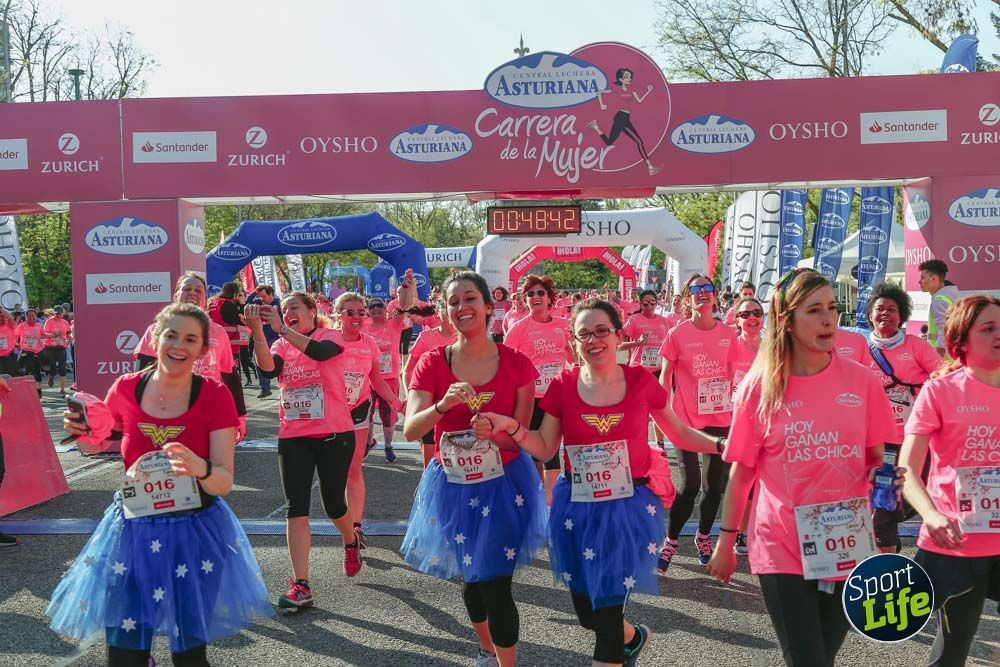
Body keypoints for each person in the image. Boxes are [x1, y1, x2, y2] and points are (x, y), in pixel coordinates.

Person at [474, 298, 722, 666]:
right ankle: (635, 637)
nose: (593, 340)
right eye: (583, 334)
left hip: (628, 508)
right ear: (573, 343)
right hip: (577, 508)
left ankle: (619, 642)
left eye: (602, 331)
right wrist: (511, 428)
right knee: (589, 616)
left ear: (619, 335)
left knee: (606, 618)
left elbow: (679, 433)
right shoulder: (562, 384)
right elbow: (544, 447)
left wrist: (721, 445)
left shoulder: (641, 381)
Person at [49, 302, 273, 666]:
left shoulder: (215, 396)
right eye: (171, 335)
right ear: (155, 338)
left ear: (203, 349)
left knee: (189, 656)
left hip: (196, 531)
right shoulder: (126, 388)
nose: (178, 346)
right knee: (124, 651)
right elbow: (98, 440)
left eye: (190, 339)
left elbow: (223, 482)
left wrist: (198, 466)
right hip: (133, 528)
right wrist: (80, 429)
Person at [707, 268, 900, 667]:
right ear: (787, 321)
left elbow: (876, 459)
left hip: (847, 541)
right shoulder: (759, 388)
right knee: (807, 659)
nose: (829, 319)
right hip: (781, 544)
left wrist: (885, 483)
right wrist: (726, 542)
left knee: (821, 657)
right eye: (814, 310)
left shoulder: (863, 382)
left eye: (832, 307)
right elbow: (742, 473)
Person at [401, 271, 546, 667]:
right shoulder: (432, 362)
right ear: (446, 312)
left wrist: (496, 430)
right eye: (454, 302)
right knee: (471, 576)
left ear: (487, 306)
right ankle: (485, 649)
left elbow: (521, 435)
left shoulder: (517, 364)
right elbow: (412, 428)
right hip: (452, 484)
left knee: (497, 582)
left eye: (470, 299)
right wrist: (442, 406)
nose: (462, 308)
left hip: (505, 483)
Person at [900, 295, 1000, 667]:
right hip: (958, 542)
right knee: (952, 653)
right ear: (962, 339)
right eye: (987, 328)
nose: (998, 335)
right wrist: (930, 515)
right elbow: (908, 468)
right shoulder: (940, 391)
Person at [245, 292, 363, 607]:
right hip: (294, 433)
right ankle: (302, 585)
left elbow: (322, 354)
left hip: (334, 432)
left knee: (334, 504)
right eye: (284, 310)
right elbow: (269, 370)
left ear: (312, 311)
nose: (288, 313)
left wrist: (282, 328)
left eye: (294, 308)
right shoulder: (280, 344)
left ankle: (350, 539)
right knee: (295, 507)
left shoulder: (330, 335)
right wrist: (258, 330)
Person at [655, 274, 737, 573]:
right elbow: (665, 377)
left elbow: (733, 376)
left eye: (707, 288)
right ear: (688, 298)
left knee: (713, 488)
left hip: (720, 420)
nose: (702, 293)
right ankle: (672, 540)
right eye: (695, 290)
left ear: (715, 296)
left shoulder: (729, 333)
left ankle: (704, 537)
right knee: (689, 485)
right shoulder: (677, 333)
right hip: (685, 421)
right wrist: (661, 415)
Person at [863, 282, 942, 553]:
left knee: (910, 496)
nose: (885, 313)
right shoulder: (863, 351)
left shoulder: (916, 346)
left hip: (916, 441)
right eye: (880, 309)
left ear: (902, 315)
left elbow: (942, 376)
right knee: (883, 505)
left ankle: (891, 532)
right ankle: (888, 558)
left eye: (892, 309)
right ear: (870, 315)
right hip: (880, 444)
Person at [331, 292, 405, 549]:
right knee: (333, 474)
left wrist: (398, 403)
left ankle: (355, 526)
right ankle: (342, 520)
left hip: (358, 411)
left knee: (354, 470)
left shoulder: (369, 343)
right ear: (337, 314)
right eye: (349, 312)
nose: (356, 317)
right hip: (330, 414)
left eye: (360, 312)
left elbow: (376, 379)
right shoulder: (327, 339)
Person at [136, 275, 245, 433]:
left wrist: (239, 416)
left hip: (207, 416)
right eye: (186, 289)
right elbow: (141, 378)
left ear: (205, 299)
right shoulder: (156, 330)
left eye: (198, 290)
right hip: (166, 418)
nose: (192, 293)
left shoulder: (218, 332)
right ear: (175, 296)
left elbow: (230, 376)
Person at [502, 274, 573, 504]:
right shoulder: (518, 328)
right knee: (536, 450)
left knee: (553, 450)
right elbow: (505, 362)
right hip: (531, 398)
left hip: (558, 397)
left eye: (540, 292)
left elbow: (573, 357)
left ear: (549, 297)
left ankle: (551, 500)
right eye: (530, 293)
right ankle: (538, 496)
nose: (535, 297)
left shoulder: (563, 325)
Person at [363, 272, 414, 462]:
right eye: (372, 306)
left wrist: (407, 287)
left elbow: (404, 306)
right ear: (368, 311)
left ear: (385, 309)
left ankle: (388, 445)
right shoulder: (364, 327)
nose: (376, 308)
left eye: (379, 306)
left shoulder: (394, 324)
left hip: (389, 377)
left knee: (388, 415)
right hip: (368, 379)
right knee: (366, 413)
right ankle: (369, 442)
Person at [729, 296, 765, 556]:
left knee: (760, 482)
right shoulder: (729, 345)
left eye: (756, 312)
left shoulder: (771, 347)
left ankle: (748, 531)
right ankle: (735, 531)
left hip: (767, 423)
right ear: (737, 319)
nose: (751, 318)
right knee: (738, 481)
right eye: (745, 314)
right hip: (734, 422)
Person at [403, 301, 456, 467]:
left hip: (457, 404)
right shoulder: (426, 337)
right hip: (430, 404)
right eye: (444, 310)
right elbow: (407, 371)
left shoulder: (465, 337)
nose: (447, 315)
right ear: (438, 312)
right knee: (431, 462)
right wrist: (411, 400)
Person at [621, 289, 672, 448]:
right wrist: (637, 343)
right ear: (640, 304)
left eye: (652, 303)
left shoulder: (664, 321)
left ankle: (660, 443)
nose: (649, 307)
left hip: (659, 370)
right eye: (645, 304)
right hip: (639, 369)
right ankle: (638, 442)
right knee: (638, 409)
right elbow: (618, 345)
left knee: (660, 408)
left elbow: (671, 346)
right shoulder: (635, 319)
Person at [588, 67, 661, 175]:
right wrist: (602, 105)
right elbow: (600, 92)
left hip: (625, 118)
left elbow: (639, 100)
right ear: (621, 79)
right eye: (626, 77)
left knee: (609, 142)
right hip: (620, 118)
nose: (629, 78)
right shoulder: (617, 89)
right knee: (639, 141)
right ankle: (650, 168)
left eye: (630, 77)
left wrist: (648, 91)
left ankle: (595, 127)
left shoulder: (631, 89)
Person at [919, 259, 960, 357]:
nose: (919, 281)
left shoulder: (939, 301)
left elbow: (944, 330)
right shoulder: (948, 297)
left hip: (944, 360)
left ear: (934, 278)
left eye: (923, 278)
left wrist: (937, 358)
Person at [253, 286, 281, 397]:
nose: (262, 299)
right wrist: (254, 293)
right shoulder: (258, 304)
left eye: (264, 296)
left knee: (280, 364)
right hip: (262, 337)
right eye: (259, 296)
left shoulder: (279, 303)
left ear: (271, 294)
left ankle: (283, 387)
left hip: (277, 337)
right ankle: (265, 388)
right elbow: (246, 304)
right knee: (259, 362)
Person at [42, 305, 72, 396]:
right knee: (53, 368)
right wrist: (53, 335)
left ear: (62, 313)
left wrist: (68, 340)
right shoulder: (49, 321)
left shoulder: (65, 322)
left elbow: (68, 335)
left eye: (59, 313)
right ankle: (51, 377)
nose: (58, 315)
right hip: (50, 348)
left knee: (62, 368)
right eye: (56, 313)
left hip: (61, 348)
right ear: (54, 313)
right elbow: (44, 334)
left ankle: (62, 390)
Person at [15, 309, 44, 397]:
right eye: (29, 315)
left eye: (33, 315)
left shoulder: (39, 325)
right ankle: (30, 391)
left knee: (38, 372)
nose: (31, 317)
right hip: (26, 352)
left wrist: (53, 335)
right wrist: (16, 344)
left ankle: (38, 389)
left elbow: (43, 334)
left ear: (35, 316)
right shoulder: (22, 326)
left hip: (37, 352)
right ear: (26, 316)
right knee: (28, 372)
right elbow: (15, 336)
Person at [0, 309, 17, 377]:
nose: (2, 318)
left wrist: (1, 308)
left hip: (9, 355)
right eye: (0, 317)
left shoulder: (9, 325)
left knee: (11, 375)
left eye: (3, 316)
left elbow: (10, 318)